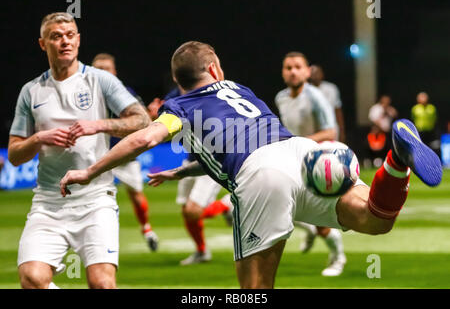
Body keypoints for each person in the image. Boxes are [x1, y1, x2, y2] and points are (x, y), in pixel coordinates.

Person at [59, 41, 442, 289]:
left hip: (260, 176)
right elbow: (232, 144)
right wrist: (182, 171)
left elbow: (143, 138)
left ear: (180, 80)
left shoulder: (178, 107)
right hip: (300, 152)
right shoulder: (238, 89)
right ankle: (395, 161)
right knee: (375, 219)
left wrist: (89, 171)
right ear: (214, 69)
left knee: (254, 292)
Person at [8, 12, 150, 289]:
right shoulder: (31, 91)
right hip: (48, 204)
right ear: (42, 44)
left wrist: (97, 125)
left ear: (79, 40)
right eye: (56, 36)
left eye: (70, 35)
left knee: (102, 284)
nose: (65, 42)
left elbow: (142, 120)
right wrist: (39, 138)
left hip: (96, 199)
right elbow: (14, 155)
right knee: (32, 279)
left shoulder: (100, 81)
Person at [274, 52, 346, 277]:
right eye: (288, 67)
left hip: (318, 161)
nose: (293, 71)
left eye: (298, 67)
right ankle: (312, 231)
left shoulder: (315, 96)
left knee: (319, 216)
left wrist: (298, 143)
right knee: (281, 205)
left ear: (307, 71)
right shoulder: (280, 98)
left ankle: (338, 258)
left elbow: (331, 131)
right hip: (293, 158)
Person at [148, 89, 233, 265]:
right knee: (187, 212)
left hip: (211, 160)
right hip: (190, 159)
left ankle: (226, 205)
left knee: (193, 211)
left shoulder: (216, 92)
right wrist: (153, 117)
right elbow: (162, 129)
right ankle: (202, 251)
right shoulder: (174, 96)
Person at [92, 53, 158, 251]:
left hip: (125, 154)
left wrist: (150, 114)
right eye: (98, 69)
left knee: (136, 195)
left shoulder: (124, 92)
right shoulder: (83, 95)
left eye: (107, 69)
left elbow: (142, 118)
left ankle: (146, 229)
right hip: (96, 156)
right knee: (96, 199)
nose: (103, 73)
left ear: (114, 72)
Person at [309, 64, 346, 143]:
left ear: (322, 74)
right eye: (313, 73)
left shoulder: (332, 88)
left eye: (317, 73)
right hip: (314, 132)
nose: (315, 75)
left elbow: (338, 110)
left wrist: (342, 131)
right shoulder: (306, 91)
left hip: (331, 128)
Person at [411, 92, 439, 156]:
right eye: (421, 98)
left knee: (432, 147)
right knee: (420, 147)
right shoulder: (415, 109)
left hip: (430, 131)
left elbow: (435, 119)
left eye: (424, 97)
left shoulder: (432, 108)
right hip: (419, 132)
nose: (423, 99)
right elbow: (413, 119)